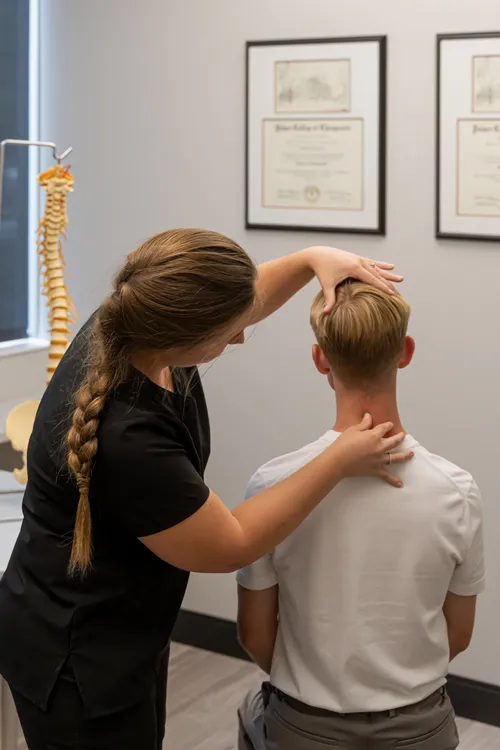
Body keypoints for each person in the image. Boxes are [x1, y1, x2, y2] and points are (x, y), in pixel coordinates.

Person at [0, 230, 410, 750]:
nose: (239, 339)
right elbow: (231, 542)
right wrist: (338, 459)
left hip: (123, 627)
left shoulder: (130, 323)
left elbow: (238, 298)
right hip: (76, 656)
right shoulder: (128, 438)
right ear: (184, 333)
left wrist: (312, 259)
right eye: (230, 331)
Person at [237, 281, 485, 750]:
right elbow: (459, 634)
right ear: (405, 352)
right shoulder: (459, 491)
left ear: (320, 359)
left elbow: (253, 634)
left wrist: (317, 691)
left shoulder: (272, 486)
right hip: (421, 729)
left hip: (304, 729)